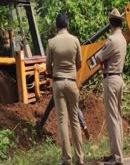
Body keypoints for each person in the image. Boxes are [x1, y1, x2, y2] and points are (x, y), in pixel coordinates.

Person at [46, 13, 84, 165]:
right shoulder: (75, 40)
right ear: (67, 25)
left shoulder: (51, 42)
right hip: (72, 82)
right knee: (75, 119)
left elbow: (48, 67)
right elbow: (80, 63)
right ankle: (80, 158)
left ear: (57, 26)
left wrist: (55, 70)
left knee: (62, 121)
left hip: (58, 83)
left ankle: (66, 159)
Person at [95, 8, 127, 165]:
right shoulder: (122, 39)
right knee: (118, 118)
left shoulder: (112, 40)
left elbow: (98, 57)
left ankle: (117, 157)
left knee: (113, 119)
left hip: (111, 79)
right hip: (119, 78)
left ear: (110, 23)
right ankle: (117, 153)